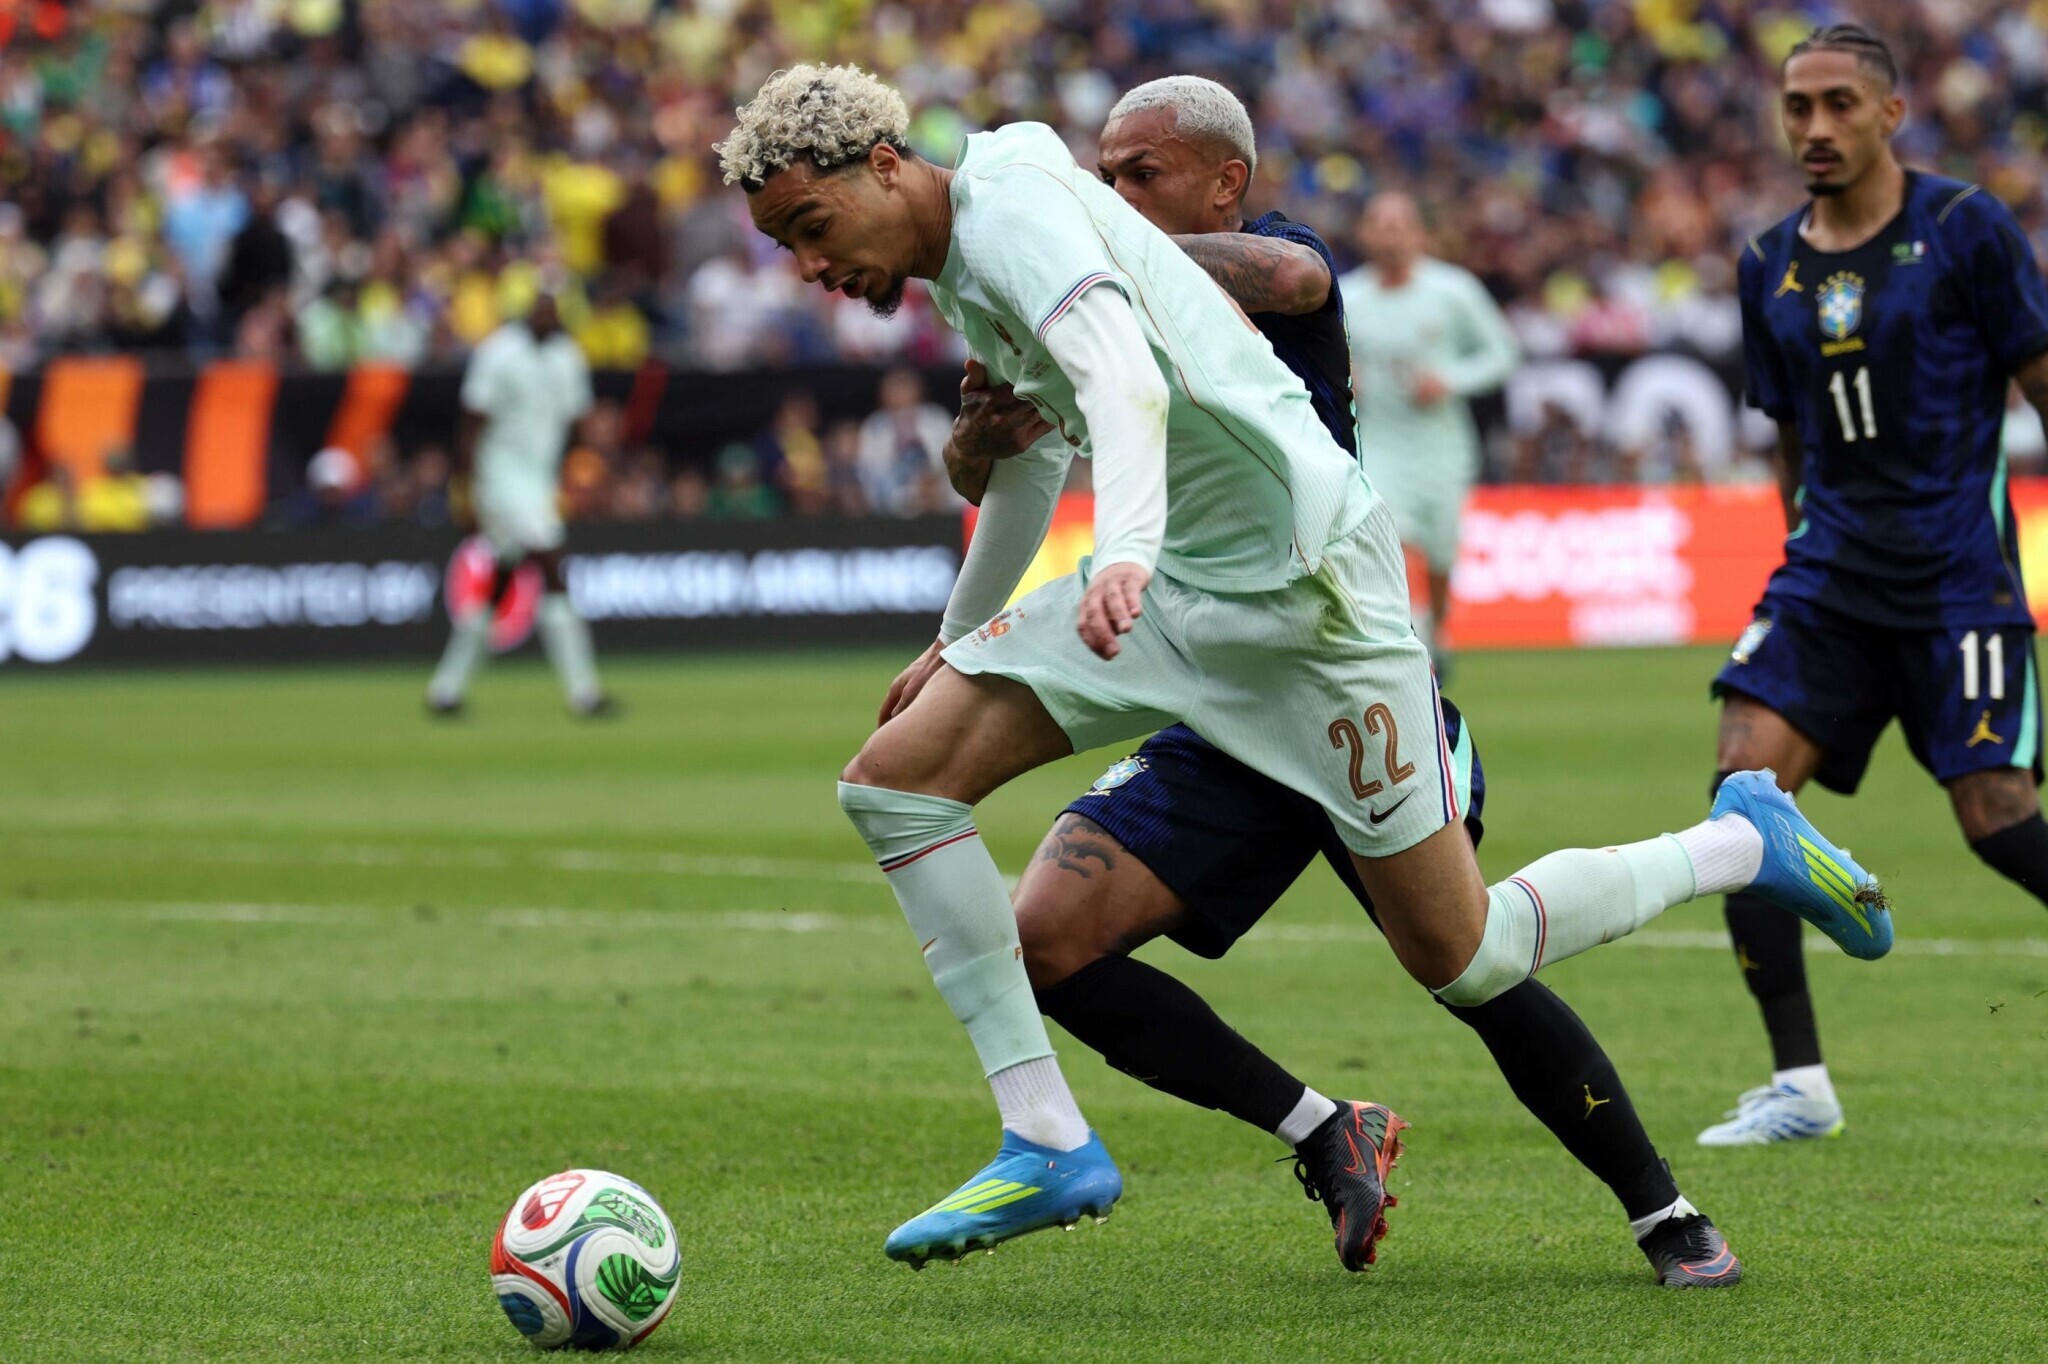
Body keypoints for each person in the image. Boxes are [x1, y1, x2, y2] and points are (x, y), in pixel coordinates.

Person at [719, 63, 1891, 1272]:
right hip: (1180, 599)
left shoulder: (1024, 210)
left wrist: (1121, 549)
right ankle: (1047, 1134)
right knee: (893, 782)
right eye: (782, 244)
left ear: (885, 167)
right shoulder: (977, 251)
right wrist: (954, 638)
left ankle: (1739, 843)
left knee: (1469, 956)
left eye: (809, 226)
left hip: (1310, 606)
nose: (806, 265)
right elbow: (1027, 461)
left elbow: (1131, 374)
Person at [942, 73, 1740, 1286]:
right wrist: (977, 437)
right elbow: (1001, 464)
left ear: (1225, 181)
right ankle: (1323, 1128)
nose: (1111, 197)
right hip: (1219, 698)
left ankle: (1662, 1204)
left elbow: (1297, 280)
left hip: (1342, 676)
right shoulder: (1092, 316)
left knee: (1465, 965)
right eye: (1101, 179)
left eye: (1139, 174)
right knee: (1042, 941)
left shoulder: (1274, 259)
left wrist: (1092, 247)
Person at [1703, 24, 2048, 1145]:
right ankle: (1799, 1085)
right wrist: (1801, 553)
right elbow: (1789, 436)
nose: (1814, 126)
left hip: (1958, 580)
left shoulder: (1963, 227)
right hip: (1828, 581)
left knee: (1997, 820)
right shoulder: (1765, 262)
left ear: (1891, 113)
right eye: (1797, 105)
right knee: (1743, 801)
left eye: (1839, 104)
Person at [1339, 192, 1518, 675]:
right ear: (1365, 234)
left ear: (1420, 234)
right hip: (1379, 442)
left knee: (1440, 551)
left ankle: (1437, 627)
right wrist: (1345, 378)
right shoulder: (1348, 297)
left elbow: (1503, 353)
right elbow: (1322, 361)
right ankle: (1412, 639)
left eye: (1400, 225)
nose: (1390, 235)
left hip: (1442, 445)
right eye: (1380, 224)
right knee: (1393, 540)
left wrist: (1449, 380)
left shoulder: (1453, 291)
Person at [426, 292, 611, 718]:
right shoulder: (498, 353)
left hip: (539, 481)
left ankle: (446, 689)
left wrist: (580, 478)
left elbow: (577, 423)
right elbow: (471, 424)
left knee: (500, 578)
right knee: (552, 565)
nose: (546, 317)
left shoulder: (567, 357)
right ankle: (584, 693)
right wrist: (465, 488)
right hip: (500, 476)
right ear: (527, 312)